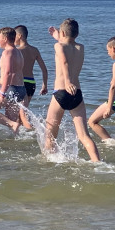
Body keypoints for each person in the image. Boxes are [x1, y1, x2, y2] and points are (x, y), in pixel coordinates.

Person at [43, 19, 101, 162]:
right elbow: (68, 47)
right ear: (77, 33)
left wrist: (67, 81)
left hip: (61, 92)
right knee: (84, 135)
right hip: (77, 94)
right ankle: (98, 162)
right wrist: (59, 36)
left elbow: (64, 60)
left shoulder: (58, 46)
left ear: (62, 33)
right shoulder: (80, 47)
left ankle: (50, 160)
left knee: (50, 132)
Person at [14, 25, 49, 128]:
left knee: (21, 112)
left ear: (19, 36)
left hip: (21, 83)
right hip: (31, 83)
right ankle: (20, 131)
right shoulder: (35, 50)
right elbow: (44, 70)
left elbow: (11, 70)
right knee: (22, 110)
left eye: (14, 35)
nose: (13, 38)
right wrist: (44, 86)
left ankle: (32, 130)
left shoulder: (17, 51)